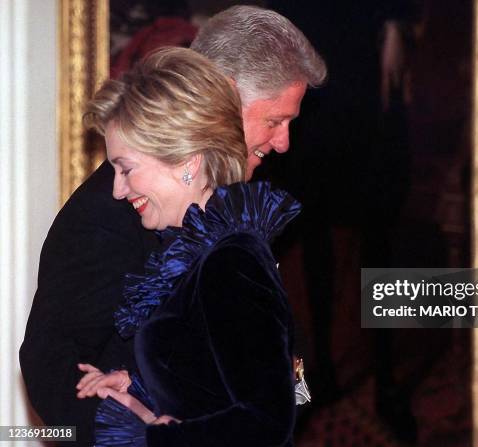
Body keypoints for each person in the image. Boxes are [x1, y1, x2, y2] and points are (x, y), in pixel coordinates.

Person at [19, 6, 326, 446]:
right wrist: (128, 425)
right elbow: (53, 367)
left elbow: (254, 384)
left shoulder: (231, 212)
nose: (283, 142)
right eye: (274, 120)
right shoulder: (106, 219)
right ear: (222, 96)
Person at [79, 46, 299, 445]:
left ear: (187, 162)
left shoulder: (231, 262)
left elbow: (268, 422)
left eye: (126, 169)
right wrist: (137, 388)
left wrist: (162, 442)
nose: (117, 190)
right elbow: (209, 385)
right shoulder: (200, 254)